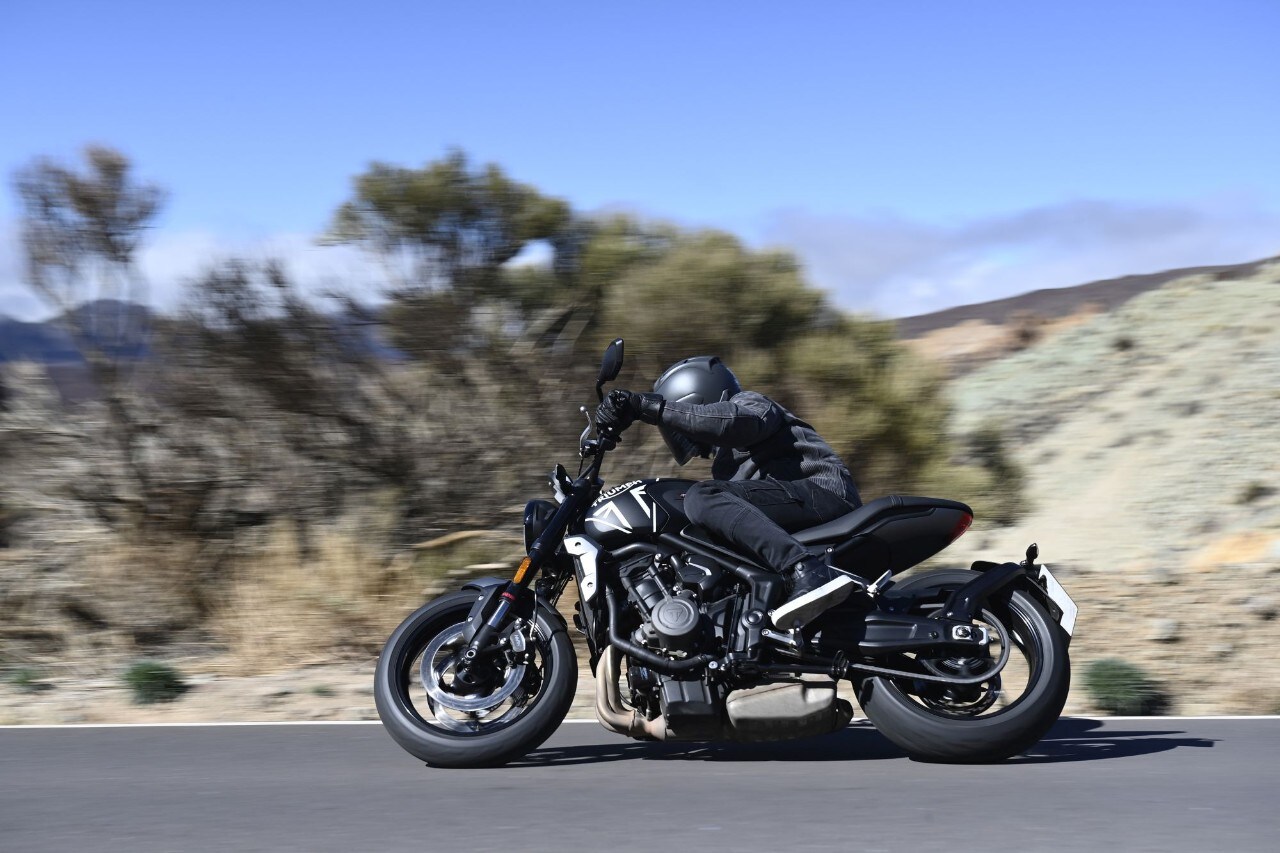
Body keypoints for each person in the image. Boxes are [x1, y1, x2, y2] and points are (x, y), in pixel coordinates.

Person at [595, 355, 863, 629]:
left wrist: (647, 407)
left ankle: (806, 569)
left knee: (701, 497)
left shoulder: (750, 404)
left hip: (823, 493)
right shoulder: (725, 465)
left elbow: (732, 422)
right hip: (794, 506)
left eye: (681, 414)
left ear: (696, 400)